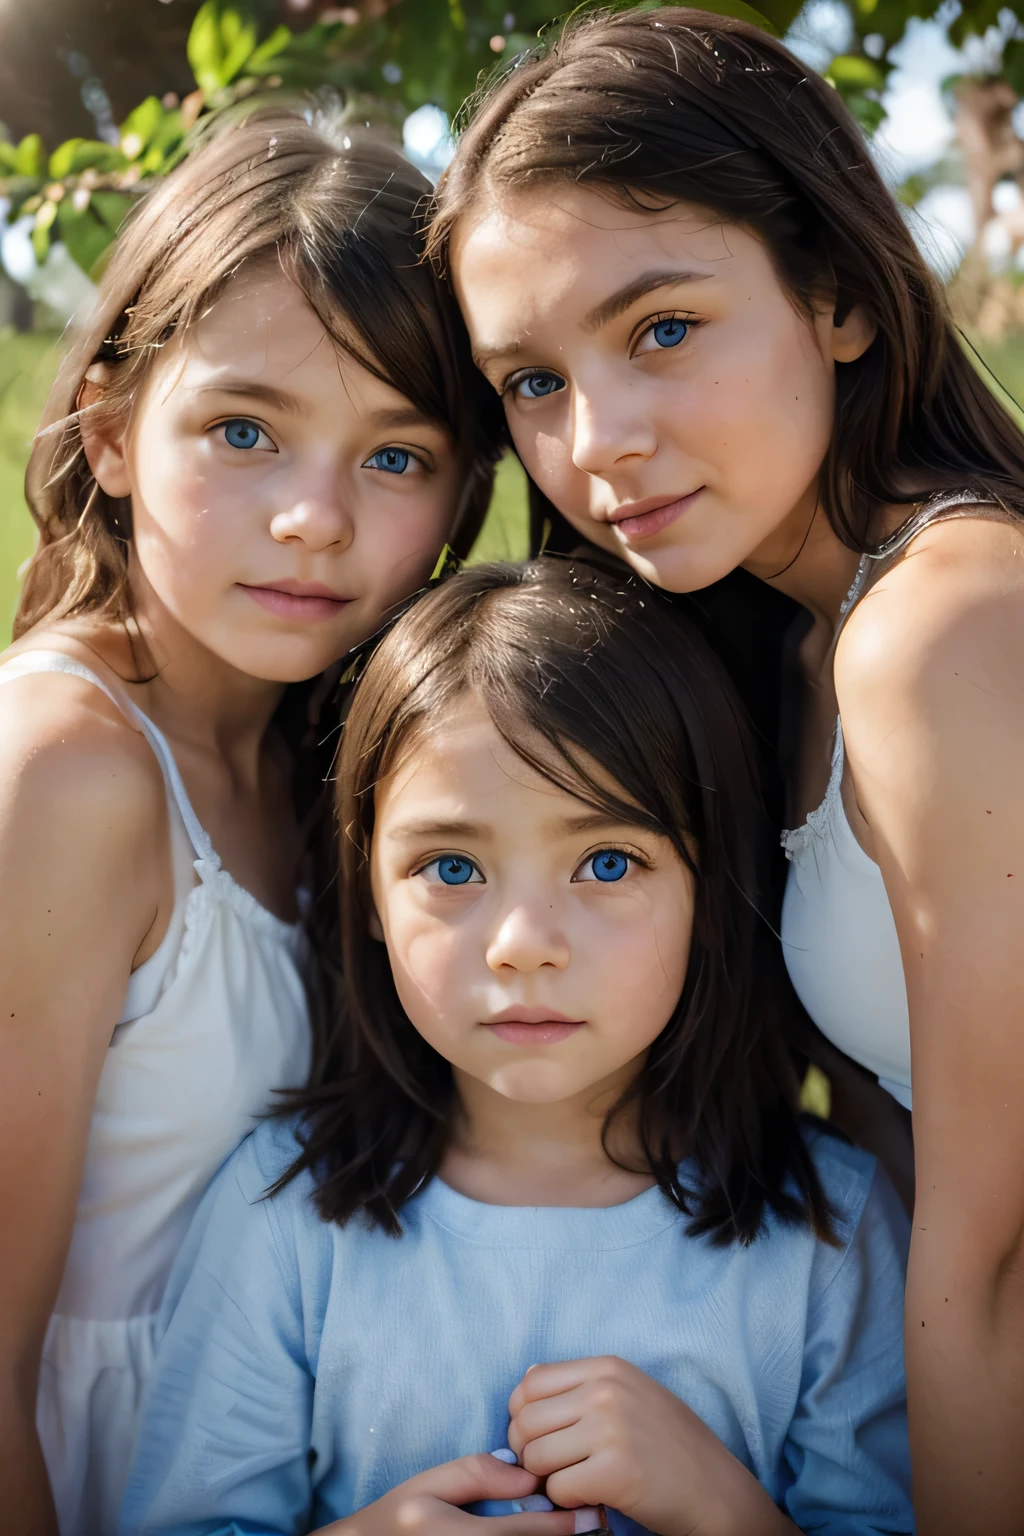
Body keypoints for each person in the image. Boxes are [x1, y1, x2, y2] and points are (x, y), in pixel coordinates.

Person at [430, 10, 1024, 1530]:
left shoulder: (947, 630)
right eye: (533, 382)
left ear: (831, 292)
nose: (599, 441)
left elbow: (994, 1256)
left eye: (662, 330)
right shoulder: (804, 646)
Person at [120, 557, 912, 1536]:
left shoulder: (831, 1233)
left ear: (709, 889)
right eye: (451, 866)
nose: (523, 944)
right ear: (364, 888)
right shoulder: (284, 1216)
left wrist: (723, 1509)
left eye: (606, 862)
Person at [0, 102, 501, 1536]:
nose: (315, 519)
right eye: (243, 431)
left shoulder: (335, 754)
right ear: (106, 433)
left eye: (395, 457)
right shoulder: (66, 771)